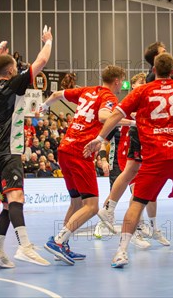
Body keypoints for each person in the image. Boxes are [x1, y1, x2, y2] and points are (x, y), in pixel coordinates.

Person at [84, 53, 173, 268]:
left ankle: (121, 251)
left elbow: (115, 115)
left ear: (153, 70)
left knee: (137, 202)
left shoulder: (143, 90)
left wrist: (99, 138)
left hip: (155, 156)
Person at [0, 26, 54, 268]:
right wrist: (48, 41)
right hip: (8, 151)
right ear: (11, 71)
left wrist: (0, 54)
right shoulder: (13, 85)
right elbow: (41, 61)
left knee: (6, 202)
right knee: (16, 197)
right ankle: (24, 246)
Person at [40, 65, 127, 265]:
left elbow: (56, 94)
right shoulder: (109, 98)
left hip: (65, 149)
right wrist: (129, 120)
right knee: (92, 206)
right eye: (121, 81)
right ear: (116, 81)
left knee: (76, 203)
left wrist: (44, 106)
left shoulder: (87, 91)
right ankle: (58, 241)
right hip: (81, 151)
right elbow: (105, 117)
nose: (121, 85)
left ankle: (63, 245)